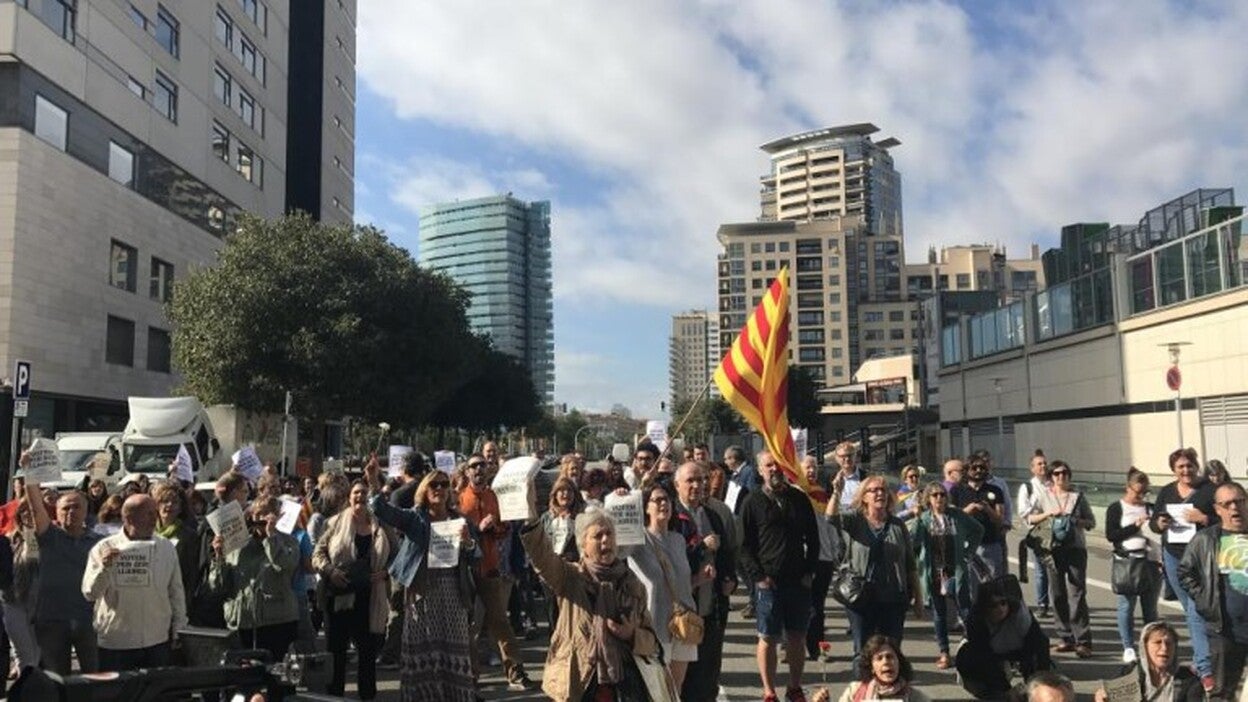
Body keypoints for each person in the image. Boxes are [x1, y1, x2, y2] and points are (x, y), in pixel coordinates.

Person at [365, 461, 480, 702]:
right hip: (421, 591)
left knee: (453, 647)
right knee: (422, 647)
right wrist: (374, 481)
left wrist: (468, 541)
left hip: (453, 591)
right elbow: (380, 509)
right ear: (425, 491)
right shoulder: (415, 518)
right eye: (433, 485)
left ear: (449, 490)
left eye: (444, 484)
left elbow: (474, 555)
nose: (439, 489)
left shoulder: (460, 520)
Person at [521, 506, 659, 702]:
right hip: (579, 681)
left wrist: (631, 635)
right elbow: (543, 559)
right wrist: (531, 521)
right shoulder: (569, 577)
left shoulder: (632, 583)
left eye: (609, 534)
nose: (605, 540)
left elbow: (652, 641)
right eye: (598, 536)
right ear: (582, 544)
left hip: (625, 686)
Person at [740, 451, 820, 702]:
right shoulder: (751, 502)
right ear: (760, 470)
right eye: (768, 465)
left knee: (797, 635)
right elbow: (744, 546)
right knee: (768, 637)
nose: (774, 469)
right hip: (768, 582)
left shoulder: (799, 499)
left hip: (798, 581)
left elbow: (814, 539)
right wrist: (759, 577)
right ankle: (769, 690)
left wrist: (809, 571)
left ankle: (794, 687)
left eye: (777, 464)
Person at [82, 494, 186, 670]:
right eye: (148, 514)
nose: (155, 518)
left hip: (156, 640)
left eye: (155, 513)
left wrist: (179, 627)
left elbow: (176, 591)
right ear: (129, 518)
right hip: (117, 643)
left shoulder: (166, 547)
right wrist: (105, 567)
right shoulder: (103, 548)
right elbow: (90, 593)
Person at [312, 479, 393, 700]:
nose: (359, 497)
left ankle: (367, 696)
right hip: (338, 595)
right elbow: (317, 555)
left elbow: (397, 555)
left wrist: (385, 572)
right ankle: (334, 696)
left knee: (368, 652)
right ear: (349, 497)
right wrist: (330, 571)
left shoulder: (380, 526)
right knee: (336, 652)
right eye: (356, 493)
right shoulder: (334, 523)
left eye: (363, 493)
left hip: (369, 597)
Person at [826, 474, 923, 659]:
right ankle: (863, 686)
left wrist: (918, 598)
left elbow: (910, 564)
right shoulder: (855, 520)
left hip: (893, 598)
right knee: (863, 650)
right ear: (864, 496)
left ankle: (889, 686)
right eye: (874, 490)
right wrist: (836, 492)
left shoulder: (897, 525)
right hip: (860, 596)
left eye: (883, 490)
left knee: (892, 650)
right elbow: (831, 518)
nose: (880, 493)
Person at [458, 455, 532, 691]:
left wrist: (497, 527)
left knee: (500, 622)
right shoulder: (459, 498)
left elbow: (506, 528)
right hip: (466, 571)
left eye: (483, 465)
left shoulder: (494, 497)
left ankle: (515, 672)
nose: (479, 469)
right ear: (467, 471)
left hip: (490, 567)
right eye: (474, 466)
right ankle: (470, 678)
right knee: (469, 627)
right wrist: (478, 530)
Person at [1150, 447, 1218, 692]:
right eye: (1181, 467)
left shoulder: (1209, 491)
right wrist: (1159, 523)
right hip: (1173, 555)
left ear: (1196, 466)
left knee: (1195, 610)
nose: (1186, 470)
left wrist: (1204, 519)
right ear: (1174, 470)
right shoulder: (1167, 491)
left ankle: (1205, 668)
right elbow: (1154, 521)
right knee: (1192, 609)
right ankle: (1205, 660)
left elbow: (1226, 520)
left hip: (1200, 556)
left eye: (1189, 465)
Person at [672, 461, 737, 702]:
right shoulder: (671, 516)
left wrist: (730, 579)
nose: (697, 485)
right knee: (683, 679)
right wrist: (700, 546)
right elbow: (670, 557)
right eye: (690, 480)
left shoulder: (713, 514)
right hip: (682, 610)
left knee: (708, 675)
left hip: (711, 609)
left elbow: (728, 552)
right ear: (677, 484)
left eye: (700, 480)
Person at [207, 496, 301, 661]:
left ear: (277, 516)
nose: (261, 518)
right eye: (257, 514)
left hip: (277, 621)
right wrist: (219, 557)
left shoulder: (289, 542)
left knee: (278, 678)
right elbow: (217, 586)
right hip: (243, 622)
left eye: (267, 514)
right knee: (246, 679)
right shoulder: (238, 545)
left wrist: (271, 537)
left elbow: (285, 565)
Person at [24, 476, 102, 674]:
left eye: (76, 507)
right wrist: (30, 475)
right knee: (57, 679)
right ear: (56, 513)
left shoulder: (101, 544)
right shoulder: (49, 537)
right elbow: (35, 508)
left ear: (86, 512)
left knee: (96, 677)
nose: (71, 512)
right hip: (52, 619)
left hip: (89, 620)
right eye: (65, 508)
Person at [625, 483, 698, 690]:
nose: (664, 503)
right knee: (657, 690)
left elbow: (681, 582)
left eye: (666, 499)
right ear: (646, 508)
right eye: (657, 500)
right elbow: (619, 552)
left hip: (683, 624)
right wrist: (628, 496)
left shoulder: (678, 540)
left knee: (675, 688)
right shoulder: (637, 540)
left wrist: (701, 577)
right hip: (654, 625)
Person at [1179, 481, 1248, 699]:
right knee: (1222, 692)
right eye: (1227, 504)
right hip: (1225, 632)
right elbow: (1185, 573)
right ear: (1217, 509)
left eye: (1239, 502)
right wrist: (1204, 600)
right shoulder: (1205, 539)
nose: (1234, 508)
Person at [1026, 459, 1095, 657]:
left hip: (1075, 548)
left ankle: (1083, 639)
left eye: (1064, 473)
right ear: (1050, 477)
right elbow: (1029, 518)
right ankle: (1065, 636)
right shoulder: (1043, 496)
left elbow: (1091, 521)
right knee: (1057, 593)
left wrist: (1075, 521)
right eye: (1056, 473)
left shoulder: (1078, 497)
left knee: (1077, 593)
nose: (1061, 476)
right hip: (1052, 549)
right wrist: (1048, 514)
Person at [912, 481, 983, 669]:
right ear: (928, 499)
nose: (939, 498)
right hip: (934, 571)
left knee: (965, 610)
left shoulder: (957, 515)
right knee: (939, 614)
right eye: (935, 495)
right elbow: (914, 541)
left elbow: (978, 530)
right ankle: (944, 652)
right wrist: (918, 519)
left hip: (955, 570)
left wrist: (968, 552)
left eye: (942, 494)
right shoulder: (925, 518)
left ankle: (976, 649)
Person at [955, 577, 1052, 700]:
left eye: (1003, 603)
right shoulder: (976, 621)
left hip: (1018, 648)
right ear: (985, 607)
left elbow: (1038, 645)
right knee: (966, 657)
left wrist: (1037, 686)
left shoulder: (1020, 615)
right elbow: (984, 658)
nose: (1000, 609)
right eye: (993, 605)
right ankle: (992, 693)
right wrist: (1007, 690)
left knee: (1040, 647)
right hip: (990, 654)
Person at [1105, 467, 1162, 664]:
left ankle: (1151, 644)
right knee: (1126, 606)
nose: (1141, 496)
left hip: (1151, 563)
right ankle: (1128, 646)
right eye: (1138, 491)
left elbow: (1158, 535)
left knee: (1150, 608)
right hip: (1127, 561)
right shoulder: (1116, 508)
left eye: (1145, 492)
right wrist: (1135, 526)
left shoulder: (1150, 508)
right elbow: (1112, 535)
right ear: (1127, 488)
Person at [1093, 621, 1204, 702]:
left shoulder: (1188, 679)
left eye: (1169, 643)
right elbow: (1109, 693)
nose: (1164, 648)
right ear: (1144, 647)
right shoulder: (1130, 672)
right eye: (1157, 642)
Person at [804, 455, 838, 662]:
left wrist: (834, 553)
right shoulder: (797, 494)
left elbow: (831, 525)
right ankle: (792, 646)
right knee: (799, 605)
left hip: (823, 558)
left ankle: (818, 648)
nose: (811, 471)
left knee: (818, 606)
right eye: (807, 467)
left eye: (814, 467)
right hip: (801, 559)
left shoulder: (823, 495)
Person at [151, 480, 200, 616]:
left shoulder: (188, 535)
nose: (169, 505)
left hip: (175, 597)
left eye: (175, 502)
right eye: (165, 501)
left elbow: (191, 573)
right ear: (156, 504)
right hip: (150, 599)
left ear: (181, 508)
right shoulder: (147, 532)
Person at [834, 635, 931, 702]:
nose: (886, 662)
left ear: (899, 663)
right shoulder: (854, 691)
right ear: (871, 667)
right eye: (879, 658)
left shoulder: (917, 698)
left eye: (890, 657)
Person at [1016, 450, 1051, 618]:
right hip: (1037, 533)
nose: (1043, 466)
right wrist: (1038, 505)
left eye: (1044, 463)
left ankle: (1059, 602)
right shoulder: (1028, 487)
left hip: (1055, 532)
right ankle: (1042, 603)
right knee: (1041, 570)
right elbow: (1024, 513)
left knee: (1057, 570)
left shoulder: (1053, 484)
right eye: (1039, 464)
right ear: (1032, 468)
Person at [963, 455, 1008, 578]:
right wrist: (968, 510)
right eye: (974, 467)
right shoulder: (958, 490)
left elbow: (1000, 520)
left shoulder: (995, 490)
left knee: (994, 584)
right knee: (971, 586)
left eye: (982, 467)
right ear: (967, 469)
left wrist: (988, 509)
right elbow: (952, 518)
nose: (978, 471)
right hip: (967, 545)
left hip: (990, 544)